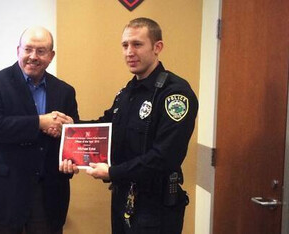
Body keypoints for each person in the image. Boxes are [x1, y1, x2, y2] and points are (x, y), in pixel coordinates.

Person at [61, 17, 198, 234]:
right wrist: (70, 129)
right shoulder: (127, 93)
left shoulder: (175, 94)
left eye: (137, 44)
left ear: (157, 47)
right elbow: (106, 128)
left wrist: (113, 172)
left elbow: (164, 157)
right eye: (125, 45)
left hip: (156, 206)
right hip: (124, 198)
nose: (129, 52)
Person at [0, 26, 79, 234]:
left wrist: (69, 137)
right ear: (18, 51)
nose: (33, 56)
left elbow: (69, 141)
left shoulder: (65, 91)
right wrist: (40, 122)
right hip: (3, 195)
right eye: (28, 49)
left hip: (47, 195)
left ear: (51, 56)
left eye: (41, 51)